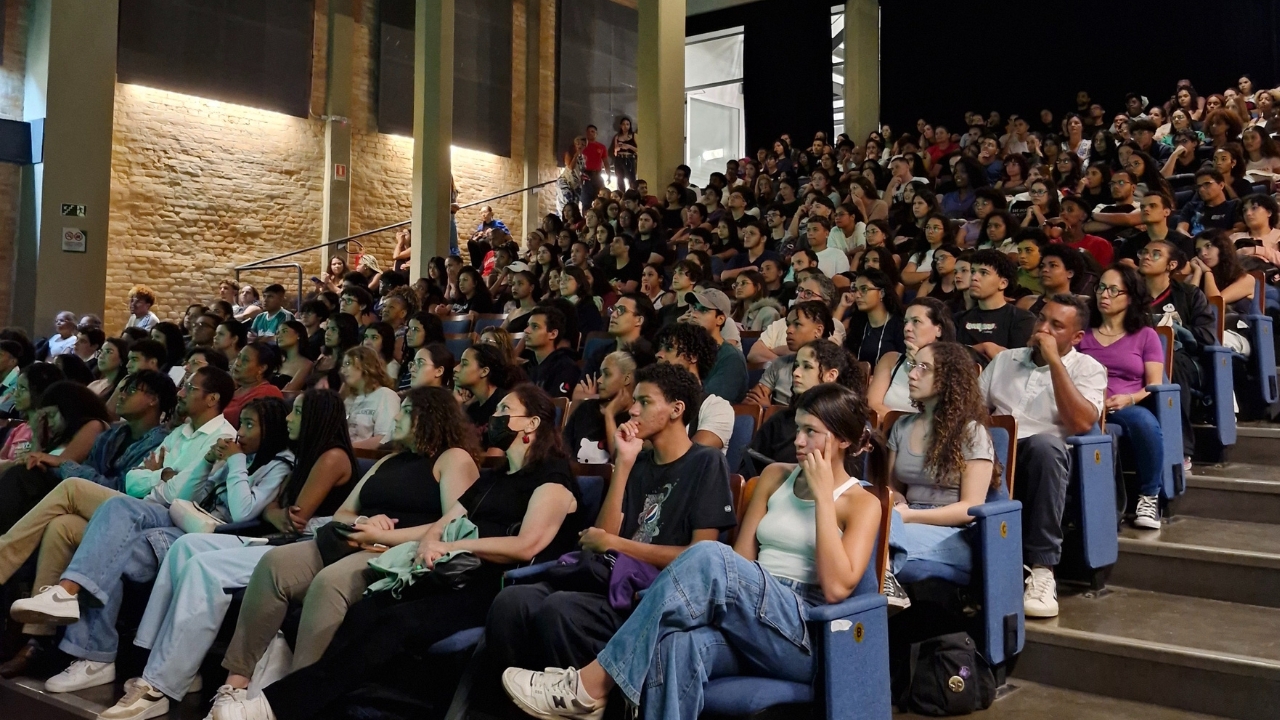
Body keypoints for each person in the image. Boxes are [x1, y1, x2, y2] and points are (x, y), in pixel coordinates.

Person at [501, 381, 883, 720]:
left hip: (804, 634)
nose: (798, 440)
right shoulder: (773, 477)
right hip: (751, 609)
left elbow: (836, 590)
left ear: (843, 440)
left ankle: (591, 685)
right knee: (677, 645)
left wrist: (823, 500)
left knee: (708, 553)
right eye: (798, 428)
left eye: (811, 432)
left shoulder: (861, 503)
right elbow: (744, 565)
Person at [220, 384, 586, 720]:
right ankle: (313, 706)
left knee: (396, 623)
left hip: (495, 586)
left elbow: (527, 545)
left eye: (505, 409)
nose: (494, 417)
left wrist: (451, 545)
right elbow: (448, 519)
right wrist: (431, 542)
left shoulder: (551, 478)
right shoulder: (496, 477)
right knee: (367, 611)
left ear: (532, 423)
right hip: (452, 572)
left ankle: (277, 707)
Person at [481, 362, 737, 718]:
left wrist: (617, 546)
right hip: (606, 579)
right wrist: (624, 465)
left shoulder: (706, 463)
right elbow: (602, 535)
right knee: (513, 602)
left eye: (645, 402)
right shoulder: (640, 461)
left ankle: (586, 706)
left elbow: (699, 559)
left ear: (677, 410)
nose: (632, 409)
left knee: (560, 610)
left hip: (648, 597)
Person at [207, 387, 480, 702]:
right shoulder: (388, 460)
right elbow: (344, 512)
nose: (395, 415)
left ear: (431, 416)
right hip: (355, 540)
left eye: (405, 410)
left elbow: (451, 525)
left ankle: (296, 699)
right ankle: (235, 684)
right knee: (275, 563)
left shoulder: (453, 458)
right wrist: (364, 524)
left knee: (330, 582)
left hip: (398, 554)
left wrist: (381, 536)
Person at [11, 397, 293, 697]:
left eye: (250, 425)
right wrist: (208, 463)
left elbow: (241, 511)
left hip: (209, 537)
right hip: (180, 516)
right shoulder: (240, 457)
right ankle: (67, 597)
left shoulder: (278, 465)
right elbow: (184, 495)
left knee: (110, 553)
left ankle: (94, 655)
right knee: (118, 508)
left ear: (270, 430)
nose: (241, 432)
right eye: (242, 424)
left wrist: (234, 461)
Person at [0, 370, 172, 677]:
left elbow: (126, 488)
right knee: (60, 526)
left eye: (131, 389)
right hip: (105, 510)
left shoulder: (161, 440)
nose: (120, 393)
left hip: (137, 516)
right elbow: (95, 474)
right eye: (122, 387)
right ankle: (37, 639)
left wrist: (66, 465)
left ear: (152, 400)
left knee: (69, 487)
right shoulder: (112, 435)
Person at [979, 296, 1107, 617]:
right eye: (1042, 320)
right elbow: (975, 412)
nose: (1043, 330)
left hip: (1047, 464)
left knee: (1045, 444)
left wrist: (1054, 363)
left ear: (1076, 337)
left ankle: (1042, 569)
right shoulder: (1005, 361)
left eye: (1056, 326)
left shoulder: (1089, 369)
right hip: (995, 454)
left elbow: (1080, 423)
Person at [887, 341, 998, 582]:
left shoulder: (971, 432)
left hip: (954, 532)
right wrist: (897, 500)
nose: (913, 374)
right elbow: (892, 486)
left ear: (949, 379)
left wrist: (908, 517)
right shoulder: (902, 426)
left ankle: (882, 580)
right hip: (907, 517)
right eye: (913, 365)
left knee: (875, 538)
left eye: (924, 368)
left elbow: (970, 508)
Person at [1079, 266, 1166, 529]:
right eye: (1101, 287)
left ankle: (1149, 496)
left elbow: (1154, 385)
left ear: (1130, 297)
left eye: (1114, 290)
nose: (1104, 295)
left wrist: (1130, 398)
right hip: (1085, 405)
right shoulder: (1082, 333)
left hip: (1125, 405)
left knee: (1144, 421)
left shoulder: (1145, 336)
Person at [1139, 240, 1217, 470]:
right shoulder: (1130, 295)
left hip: (1185, 360)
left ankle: (1180, 448)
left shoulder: (1189, 294)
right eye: (1144, 251)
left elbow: (1207, 336)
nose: (1146, 256)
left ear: (1171, 264)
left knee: (1170, 366)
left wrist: (1177, 329)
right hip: (1139, 357)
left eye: (1155, 254)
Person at [0, 380, 112, 533]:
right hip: (45, 492)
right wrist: (36, 437)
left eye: (52, 415)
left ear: (70, 409)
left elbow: (64, 463)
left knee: (17, 476)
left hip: (65, 494)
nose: (49, 423)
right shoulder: (61, 437)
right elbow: (33, 462)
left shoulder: (94, 425)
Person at [746, 339, 864, 472]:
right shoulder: (780, 420)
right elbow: (749, 468)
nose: (796, 372)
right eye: (796, 365)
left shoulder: (848, 424)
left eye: (807, 366)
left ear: (831, 375)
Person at [653, 323, 735, 453]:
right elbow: (638, 451)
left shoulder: (717, 407)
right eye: (660, 348)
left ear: (692, 357)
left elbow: (693, 457)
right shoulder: (655, 402)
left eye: (668, 348)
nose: (659, 354)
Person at [869, 298, 956, 418]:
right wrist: (903, 427)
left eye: (916, 321)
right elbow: (873, 405)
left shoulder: (951, 367)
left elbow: (944, 414)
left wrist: (918, 365)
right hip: (887, 433)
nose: (907, 328)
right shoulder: (890, 359)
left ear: (939, 330)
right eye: (906, 322)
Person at [954, 250, 1036, 362]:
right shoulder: (959, 319)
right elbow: (949, 357)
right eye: (973, 271)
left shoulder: (1022, 319)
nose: (974, 277)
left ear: (1003, 283)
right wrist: (984, 347)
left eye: (983, 273)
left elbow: (1018, 363)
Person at [563, 349, 640, 464]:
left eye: (607, 374)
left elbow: (620, 462)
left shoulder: (636, 418)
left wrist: (609, 415)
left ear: (626, 379)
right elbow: (562, 452)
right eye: (601, 374)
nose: (599, 380)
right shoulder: (585, 409)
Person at [678, 288, 749, 403]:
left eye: (703, 310)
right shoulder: (686, 351)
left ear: (720, 319)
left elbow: (709, 403)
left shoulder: (731, 358)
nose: (694, 314)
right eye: (694, 308)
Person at [340, 346, 400, 449]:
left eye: (348, 364)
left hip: (367, 459)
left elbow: (384, 439)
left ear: (365, 365)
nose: (343, 371)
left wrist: (346, 450)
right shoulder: (347, 398)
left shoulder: (385, 395)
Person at [1115, 192, 1195, 265]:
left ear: (1166, 212)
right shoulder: (1130, 243)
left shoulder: (1183, 241)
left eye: (1152, 206)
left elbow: (1185, 272)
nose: (1146, 209)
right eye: (1142, 207)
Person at [457, 344, 513, 448]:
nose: (456, 369)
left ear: (484, 371)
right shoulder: (472, 408)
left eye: (464, 364)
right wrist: (459, 406)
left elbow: (498, 453)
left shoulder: (503, 404)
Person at [524, 305, 581, 399]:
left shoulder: (566, 368)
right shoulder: (527, 368)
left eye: (535, 327)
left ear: (553, 334)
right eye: (528, 325)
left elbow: (554, 407)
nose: (526, 330)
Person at [224, 342, 285, 429]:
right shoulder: (233, 389)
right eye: (238, 357)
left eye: (245, 360)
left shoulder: (268, 392)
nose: (237, 363)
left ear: (262, 368)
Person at [1176, 169, 1243, 237]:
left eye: (1207, 184)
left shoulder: (1234, 205)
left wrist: (1211, 240)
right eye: (1199, 186)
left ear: (1221, 185)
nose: (1201, 189)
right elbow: (1180, 229)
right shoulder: (1191, 207)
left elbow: (1239, 229)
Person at [276, 320, 314, 396]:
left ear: (298, 335)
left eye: (284, 331)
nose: (279, 336)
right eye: (277, 333)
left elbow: (288, 392)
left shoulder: (306, 364)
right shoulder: (276, 361)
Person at [88, 337, 130, 402]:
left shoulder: (125, 388)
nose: (101, 356)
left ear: (122, 358)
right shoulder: (94, 384)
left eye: (108, 352)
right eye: (101, 351)